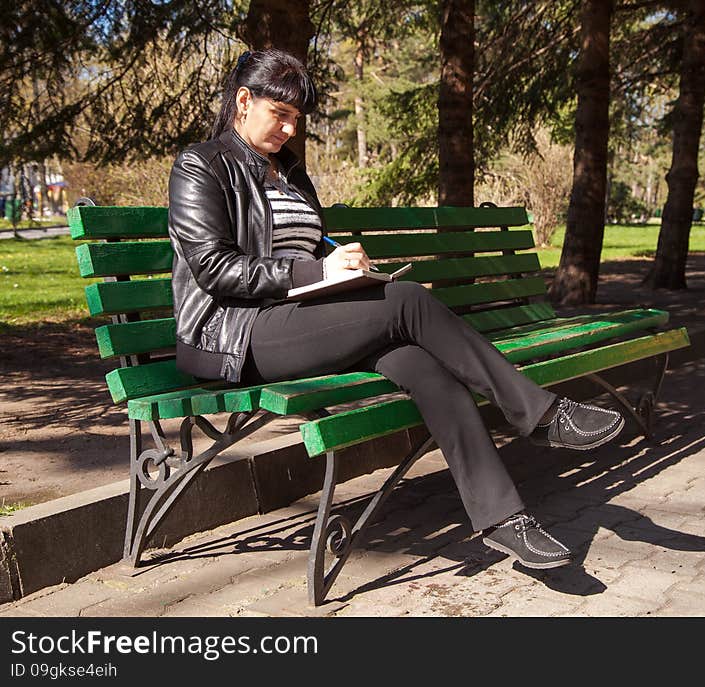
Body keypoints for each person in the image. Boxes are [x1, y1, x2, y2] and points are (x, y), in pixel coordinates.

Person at [167, 48, 624, 571]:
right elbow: (214, 267)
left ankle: (503, 520)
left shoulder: (291, 173)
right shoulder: (201, 165)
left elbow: (305, 248)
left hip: (303, 319)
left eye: (297, 119)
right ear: (243, 101)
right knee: (406, 301)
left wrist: (344, 267)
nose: (291, 129)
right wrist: (318, 273)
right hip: (235, 334)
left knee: (424, 365)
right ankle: (540, 414)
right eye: (281, 114)